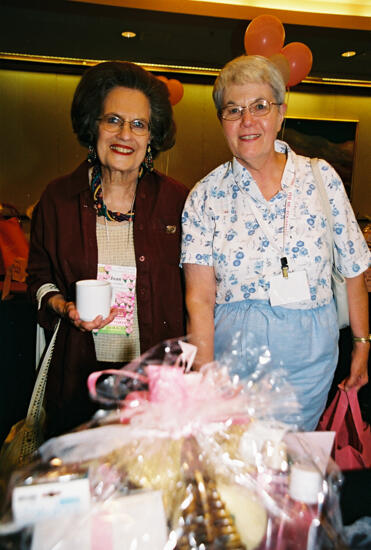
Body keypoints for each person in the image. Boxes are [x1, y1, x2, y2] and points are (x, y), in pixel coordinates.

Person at [181, 55, 370, 430]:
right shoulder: (204, 196)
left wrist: (363, 343)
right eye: (233, 110)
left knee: (293, 462)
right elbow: (199, 298)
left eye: (260, 107)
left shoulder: (321, 177)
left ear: (281, 113)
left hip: (309, 361)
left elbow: (353, 266)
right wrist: (203, 375)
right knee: (237, 466)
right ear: (221, 121)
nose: (247, 121)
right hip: (234, 359)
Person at [27, 61, 188, 437]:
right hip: (78, 375)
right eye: (112, 119)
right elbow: (38, 276)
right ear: (92, 126)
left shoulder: (178, 202)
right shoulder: (59, 198)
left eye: (139, 124)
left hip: (154, 383)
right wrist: (61, 306)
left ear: (152, 137)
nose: (124, 134)